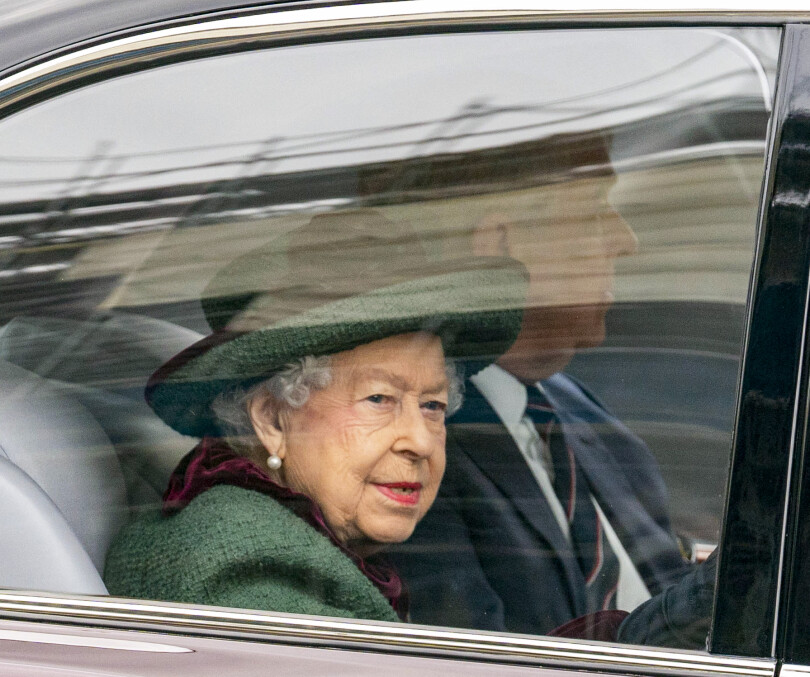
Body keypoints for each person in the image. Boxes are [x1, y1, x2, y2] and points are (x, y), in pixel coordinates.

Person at [103, 210, 527, 622]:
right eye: (379, 399)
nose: (419, 441)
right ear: (272, 420)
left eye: (432, 406)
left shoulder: (292, 541)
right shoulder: (245, 570)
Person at [389, 132, 694, 638]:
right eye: (594, 209)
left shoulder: (574, 407)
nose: (625, 240)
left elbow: (674, 592)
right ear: (500, 244)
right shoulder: (416, 452)